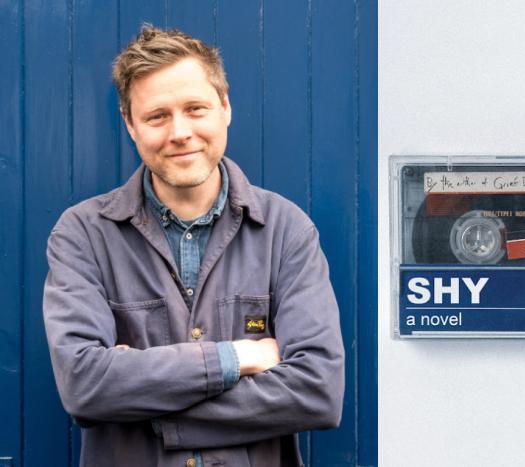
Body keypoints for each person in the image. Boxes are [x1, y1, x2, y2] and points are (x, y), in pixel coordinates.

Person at [43, 25, 344, 467]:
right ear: (129, 124)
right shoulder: (83, 234)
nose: (180, 131)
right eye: (157, 116)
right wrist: (240, 356)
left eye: (195, 108)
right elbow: (85, 386)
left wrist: (151, 405)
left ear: (225, 107)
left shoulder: (285, 229)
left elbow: (318, 391)